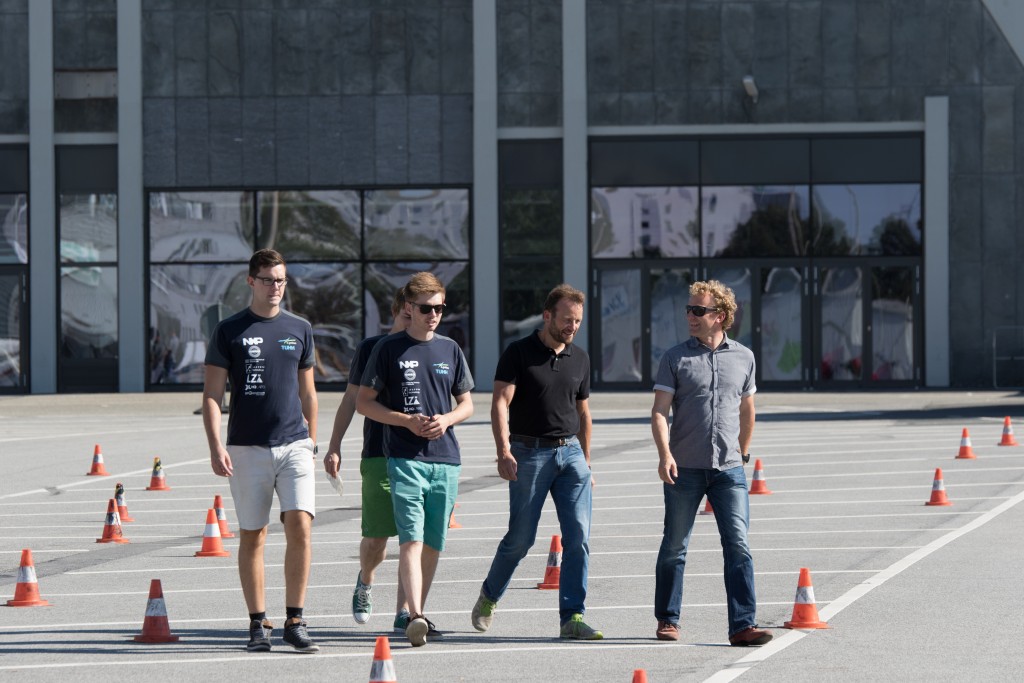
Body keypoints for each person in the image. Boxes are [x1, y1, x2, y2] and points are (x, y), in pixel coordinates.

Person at [202, 248, 320, 654]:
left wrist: (313, 440)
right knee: (253, 535)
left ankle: (296, 619)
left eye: (282, 280)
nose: (276, 288)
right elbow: (213, 395)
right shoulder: (229, 330)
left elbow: (308, 392)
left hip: (294, 445)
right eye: (269, 280)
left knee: (301, 526)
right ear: (251, 281)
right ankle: (257, 622)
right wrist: (216, 444)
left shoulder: (300, 328)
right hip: (246, 448)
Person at [471, 284, 602, 640]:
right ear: (547, 316)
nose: (572, 327)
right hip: (529, 453)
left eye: (577, 321)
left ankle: (572, 616)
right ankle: (489, 595)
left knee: (578, 537)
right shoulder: (518, 353)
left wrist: (586, 461)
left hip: (571, 455)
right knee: (521, 538)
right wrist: (503, 450)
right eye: (566, 320)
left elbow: (583, 412)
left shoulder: (581, 358)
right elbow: (500, 401)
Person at [650, 280, 771, 647]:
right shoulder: (675, 358)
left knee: (738, 544)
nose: (690, 315)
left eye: (698, 310)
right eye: (688, 309)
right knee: (675, 545)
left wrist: (743, 451)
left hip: (729, 469)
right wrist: (665, 454)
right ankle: (668, 619)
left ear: (721, 316)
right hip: (683, 468)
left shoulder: (744, 357)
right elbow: (659, 412)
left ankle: (742, 625)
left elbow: (748, 408)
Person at [356, 272, 474, 647]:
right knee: (411, 538)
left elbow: (467, 403)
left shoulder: (450, 349)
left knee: (434, 543)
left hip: (446, 459)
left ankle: (412, 609)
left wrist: (447, 419)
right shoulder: (388, 349)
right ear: (408, 308)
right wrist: (406, 420)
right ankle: (414, 615)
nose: (434, 314)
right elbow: (363, 402)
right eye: (426, 308)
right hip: (404, 457)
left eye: (440, 307)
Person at [323, 288, 415, 632]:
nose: (415, 319)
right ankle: (365, 580)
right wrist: (334, 446)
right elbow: (350, 400)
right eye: (407, 314)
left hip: (420, 455)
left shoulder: (434, 349)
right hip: (379, 451)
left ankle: (404, 611)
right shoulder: (371, 348)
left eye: (419, 312)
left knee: (413, 536)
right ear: (396, 311)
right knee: (378, 538)